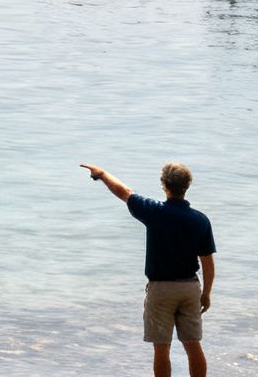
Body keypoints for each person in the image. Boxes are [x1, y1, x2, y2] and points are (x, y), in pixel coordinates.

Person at [80, 161, 216, 377]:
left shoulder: (154, 211)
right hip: (190, 287)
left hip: (160, 290)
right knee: (193, 344)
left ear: (164, 185)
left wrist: (103, 174)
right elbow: (208, 263)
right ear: (187, 186)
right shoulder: (200, 220)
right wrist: (206, 294)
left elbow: (124, 192)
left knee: (161, 348)